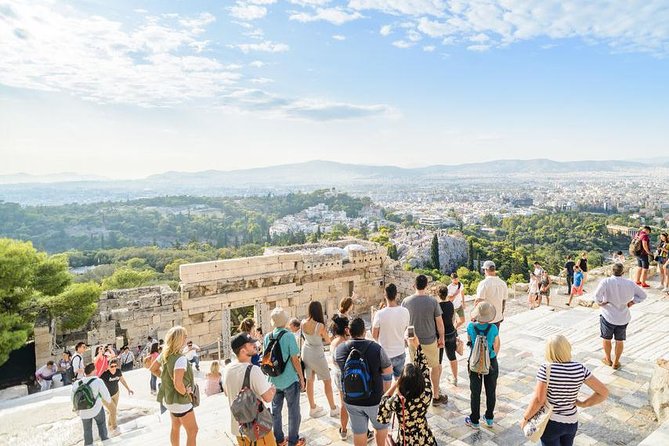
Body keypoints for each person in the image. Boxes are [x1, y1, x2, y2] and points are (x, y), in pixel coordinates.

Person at [521, 335, 608, 446]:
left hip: (551, 422)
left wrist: (525, 418)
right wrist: (583, 403)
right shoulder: (580, 368)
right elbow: (603, 392)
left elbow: (539, 400)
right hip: (571, 422)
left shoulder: (546, 369)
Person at [335, 317, 393, 446]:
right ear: (364, 331)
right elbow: (388, 370)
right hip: (374, 399)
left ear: (348, 331)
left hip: (351, 399)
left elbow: (338, 367)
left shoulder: (340, 350)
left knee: (359, 433)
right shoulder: (376, 348)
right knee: (380, 427)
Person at [377, 335, 436, 445]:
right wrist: (417, 346)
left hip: (406, 440)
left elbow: (383, 406)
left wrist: (396, 384)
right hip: (425, 437)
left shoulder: (398, 401)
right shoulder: (427, 392)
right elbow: (425, 368)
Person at [223, 333, 276, 446]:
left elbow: (227, 394)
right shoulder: (253, 370)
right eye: (250, 344)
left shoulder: (226, 370)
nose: (254, 345)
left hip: (239, 428)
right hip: (258, 428)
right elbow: (268, 398)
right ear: (242, 351)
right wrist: (272, 389)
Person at [401, 275, 447, 405]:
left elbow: (404, 323)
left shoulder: (406, 302)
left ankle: (417, 394)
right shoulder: (433, 301)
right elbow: (439, 322)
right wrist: (441, 337)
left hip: (413, 341)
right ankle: (436, 395)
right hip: (430, 340)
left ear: (413, 286)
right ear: (426, 286)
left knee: (415, 369)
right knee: (435, 367)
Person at [150, 326, 199, 446]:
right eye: (184, 336)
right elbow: (178, 384)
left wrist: (164, 378)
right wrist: (186, 393)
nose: (186, 338)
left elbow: (152, 369)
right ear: (179, 339)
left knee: (175, 427)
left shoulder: (164, 355)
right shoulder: (180, 359)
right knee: (193, 431)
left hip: (170, 400)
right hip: (181, 402)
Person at [264, 307, 306, 446]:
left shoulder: (267, 337)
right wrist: (301, 377)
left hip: (274, 381)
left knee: (276, 411)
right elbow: (295, 360)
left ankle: (279, 439)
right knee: (294, 412)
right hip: (289, 380)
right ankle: (293, 441)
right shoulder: (289, 336)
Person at [594, 263, 647, 369]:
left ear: (611, 271)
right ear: (623, 272)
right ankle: (616, 362)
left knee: (606, 339)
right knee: (619, 340)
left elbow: (597, 296)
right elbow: (643, 295)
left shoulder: (606, 282)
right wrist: (632, 302)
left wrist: (600, 303)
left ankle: (608, 359)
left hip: (607, 315)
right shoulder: (630, 283)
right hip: (623, 317)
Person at [465, 302, 500, 429]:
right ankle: (489, 418)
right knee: (491, 391)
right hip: (490, 363)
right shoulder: (494, 328)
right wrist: (490, 358)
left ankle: (474, 420)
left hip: (474, 363)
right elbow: (496, 345)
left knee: (475, 392)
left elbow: (469, 342)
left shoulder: (470, 326)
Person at [301, 301, 338, 418]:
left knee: (309, 380)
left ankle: (312, 408)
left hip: (306, 352)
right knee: (327, 380)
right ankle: (333, 408)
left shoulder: (303, 322)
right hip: (317, 354)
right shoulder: (320, 326)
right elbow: (328, 340)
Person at [372, 283, 410, 380]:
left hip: (385, 354)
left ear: (385, 295)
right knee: (399, 383)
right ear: (396, 295)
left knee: (386, 385)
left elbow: (374, 335)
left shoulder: (379, 314)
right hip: (400, 351)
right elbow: (405, 329)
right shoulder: (405, 311)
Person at [72, 363, 111, 446]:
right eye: (95, 369)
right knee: (101, 425)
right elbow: (107, 396)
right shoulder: (98, 381)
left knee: (87, 431)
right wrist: (109, 402)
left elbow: (73, 398)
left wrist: (77, 411)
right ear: (93, 371)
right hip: (96, 409)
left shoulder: (77, 383)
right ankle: (106, 442)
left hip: (83, 412)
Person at [330, 315, 352, 441]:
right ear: (345, 329)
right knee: (350, 404)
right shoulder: (345, 344)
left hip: (337, 374)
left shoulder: (333, 342)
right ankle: (359, 430)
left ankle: (343, 429)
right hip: (345, 375)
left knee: (343, 402)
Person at [100, 359, 134, 434]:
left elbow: (122, 380)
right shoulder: (105, 374)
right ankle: (115, 428)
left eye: (115, 366)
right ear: (108, 366)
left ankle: (109, 425)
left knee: (112, 410)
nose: (114, 368)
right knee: (113, 410)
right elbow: (98, 384)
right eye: (112, 366)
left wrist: (128, 389)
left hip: (116, 393)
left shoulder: (118, 371)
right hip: (106, 396)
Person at [474, 260, 507, 329]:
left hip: (485, 319)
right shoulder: (503, 283)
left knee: (483, 338)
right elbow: (503, 301)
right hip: (497, 318)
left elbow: (478, 301)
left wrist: (474, 315)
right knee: (495, 338)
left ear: (486, 270)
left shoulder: (484, 283)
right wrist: (501, 314)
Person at [437, 285, 459, 386]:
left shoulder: (437, 306)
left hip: (440, 335)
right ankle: (455, 378)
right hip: (451, 332)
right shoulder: (451, 304)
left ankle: (437, 383)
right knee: (452, 356)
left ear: (438, 294)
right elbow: (453, 318)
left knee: (438, 360)